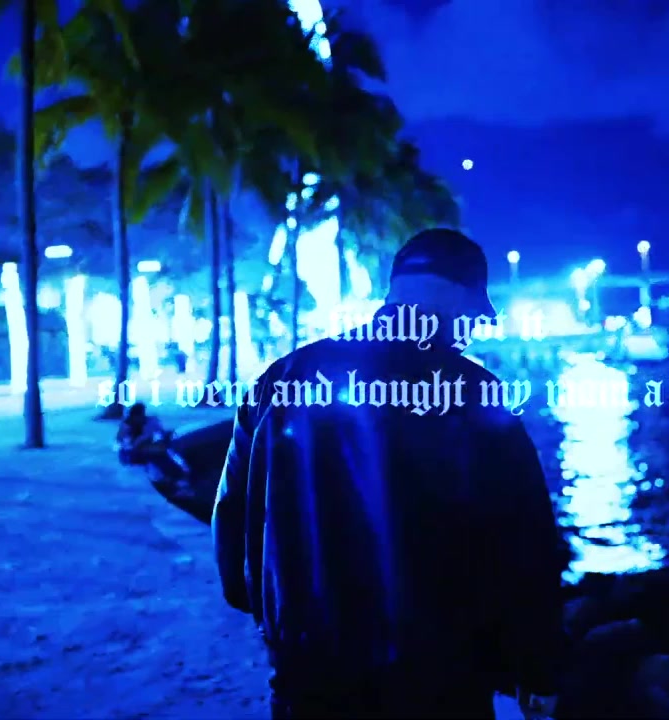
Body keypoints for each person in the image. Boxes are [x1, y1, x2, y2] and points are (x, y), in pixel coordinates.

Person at [214, 229, 566, 719]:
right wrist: (537, 668)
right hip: (440, 678)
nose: (472, 332)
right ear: (455, 297)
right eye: (474, 316)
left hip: (308, 674)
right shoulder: (474, 395)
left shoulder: (282, 378)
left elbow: (233, 520)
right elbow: (524, 546)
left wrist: (276, 619)